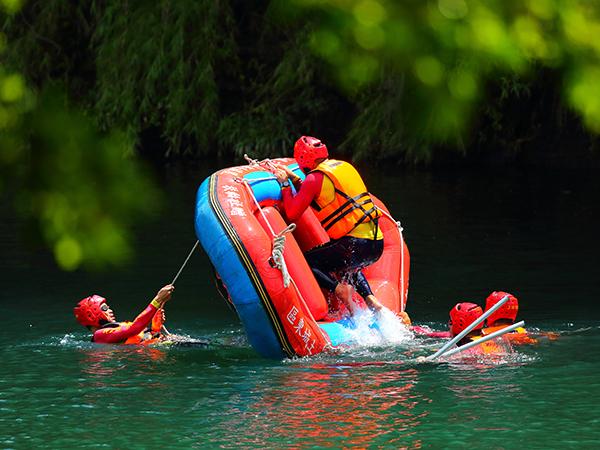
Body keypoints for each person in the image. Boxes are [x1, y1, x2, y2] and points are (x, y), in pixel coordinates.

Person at [274, 136, 385, 314]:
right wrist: (296, 181)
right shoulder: (344, 166)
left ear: (303, 159)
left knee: (308, 262)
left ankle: (339, 289)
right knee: (344, 263)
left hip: (354, 244)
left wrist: (285, 184)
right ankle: (370, 298)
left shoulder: (314, 178)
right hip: (376, 243)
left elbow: (292, 213)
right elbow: (321, 194)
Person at [74, 284, 174, 345]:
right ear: (91, 314)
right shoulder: (99, 335)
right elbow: (134, 329)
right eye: (105, 308)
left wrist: (156, 327)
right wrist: (157, 300)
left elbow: (144, 335)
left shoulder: (115, 329)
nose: (110, 310)